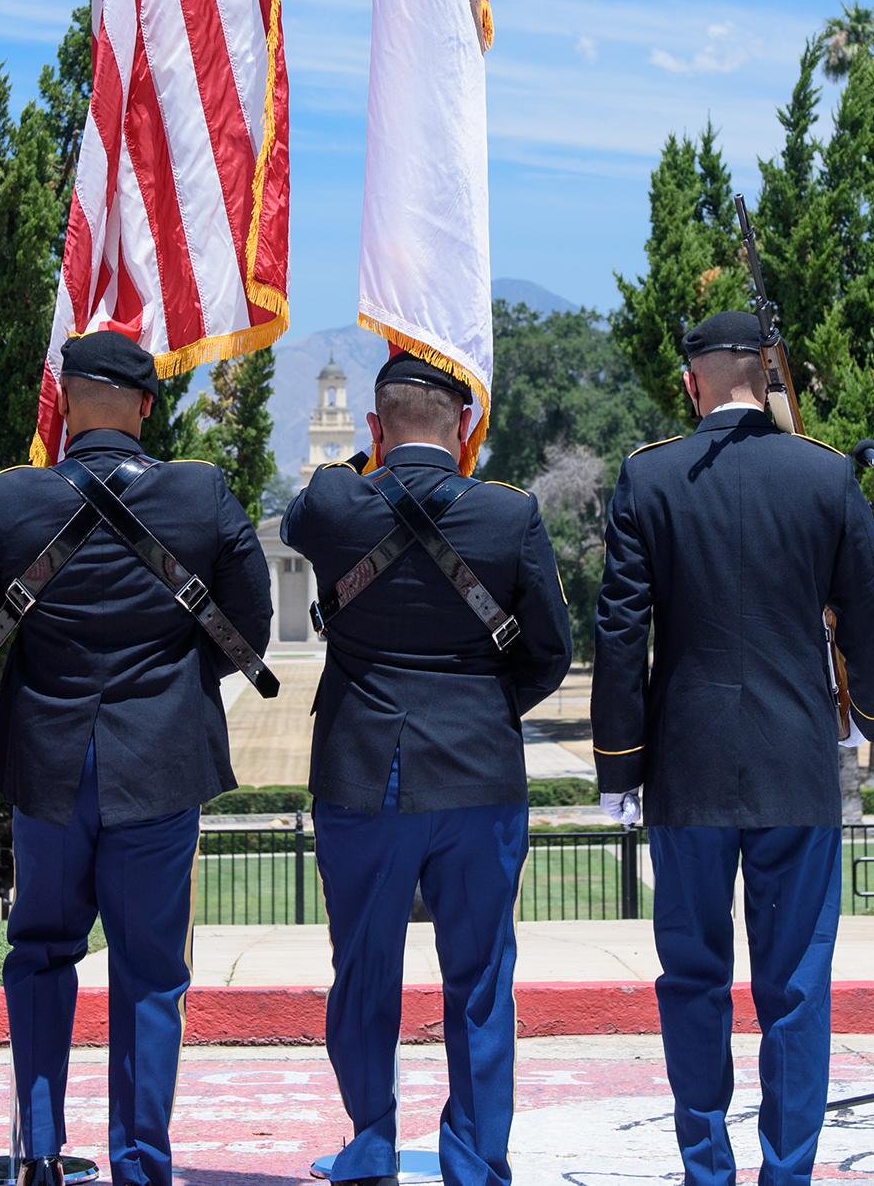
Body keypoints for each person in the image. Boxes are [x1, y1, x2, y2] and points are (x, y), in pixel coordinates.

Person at [589, 309, 874, 1186]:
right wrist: (873, 716)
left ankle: (705, 1169)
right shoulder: (825, 475)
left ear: (692, 382)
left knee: (691, 979)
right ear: (766, 374)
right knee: (797, 988)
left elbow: (620, 636)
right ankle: (788, 1173)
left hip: (684, 771)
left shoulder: (648, 480)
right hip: (795, 765)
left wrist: (620, 765)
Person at [0, 328, 272, 1186]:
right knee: (150, 970)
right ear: (144, 406)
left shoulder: (12, 499)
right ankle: (140, 1162)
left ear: (63, 405)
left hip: (49, 760)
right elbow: (250, 628)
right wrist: (172, 682)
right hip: (159, 760)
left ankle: (40, 1152)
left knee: (41, 950)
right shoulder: (199, 495)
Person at [281, 353, 573, 1186]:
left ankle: (370, 1143)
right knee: (480, 978)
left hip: (361, 771)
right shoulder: (507, 515)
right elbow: (549, 652)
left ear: (373, 430)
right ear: (466, 431)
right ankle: (477, 1160)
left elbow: (306, 511)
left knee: (362, 968)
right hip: (478, 775)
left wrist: (359, 463)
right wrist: (483, 710)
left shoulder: (338, 501)